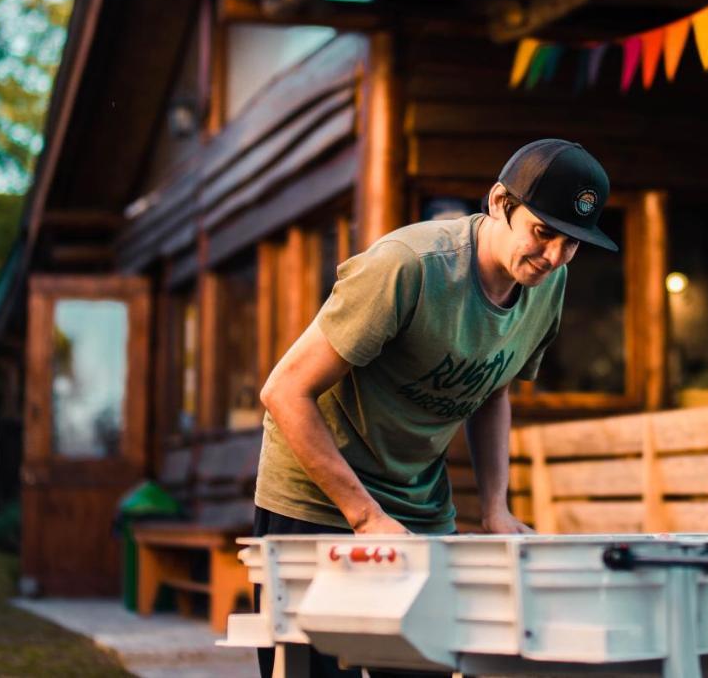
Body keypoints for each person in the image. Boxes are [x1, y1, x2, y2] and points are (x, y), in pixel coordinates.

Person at [253, 138, 617, 678]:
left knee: (427, 666)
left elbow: (494, 389)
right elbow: (283, 391)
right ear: (500, 203)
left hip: (419, 508)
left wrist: (494, 508)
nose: (555, 257)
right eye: (544, 233)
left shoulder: (547, 283)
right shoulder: (409, 267)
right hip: (317, 503)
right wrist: (365, 517)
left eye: (573, 244)